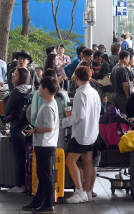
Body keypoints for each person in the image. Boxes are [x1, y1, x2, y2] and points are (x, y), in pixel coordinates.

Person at [61, 66, 101, 204]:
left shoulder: (80, 93)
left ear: (76, 77)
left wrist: (62, 122)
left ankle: (79, 191)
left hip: (80, 134)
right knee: (88, 162)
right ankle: (87, 192)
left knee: (70, 161)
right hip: (92, 132)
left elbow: (77, 116)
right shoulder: (94, 92)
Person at [21, 77, 60, 213]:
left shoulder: (48, 106)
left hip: (45, 144)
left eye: (40, 87)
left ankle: (48, 204)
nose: (38, 89)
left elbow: (49, 127)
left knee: (46, 175)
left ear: (46, 89)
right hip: (45, 144)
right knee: (42, 174)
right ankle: (38, 201)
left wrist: (34, 130)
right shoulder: (50, 103)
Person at [4, 67, 33, 193]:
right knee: (29, 155)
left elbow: (6, 111)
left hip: (17, 126)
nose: (12, 77)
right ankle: (30, 183)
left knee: (20, 157)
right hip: (30, 126)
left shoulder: (16, 92)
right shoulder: (32, 89)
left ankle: (19, 185)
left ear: (21, 77)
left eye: (15, 75)